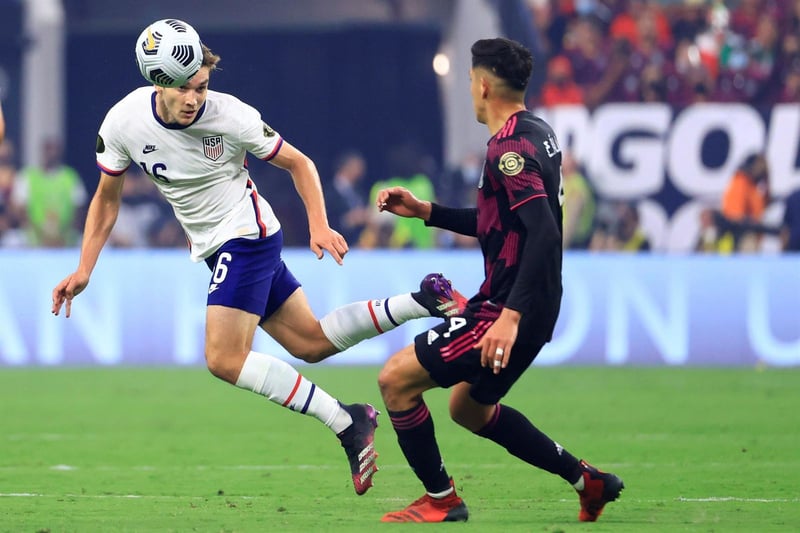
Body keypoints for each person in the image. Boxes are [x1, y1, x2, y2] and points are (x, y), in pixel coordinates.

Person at [50, 20, 467, 497]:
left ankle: (346, 422)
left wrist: (319, 224)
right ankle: (424, 299)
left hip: (245, 235)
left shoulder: (231, 116)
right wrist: (85, 268)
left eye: (201, 86)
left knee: (224, 359)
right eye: (183, 88)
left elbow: (300, 163)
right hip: (216, 245)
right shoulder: (123, 123)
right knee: (312, 343)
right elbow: (107, 197)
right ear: (158, 83)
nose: (194, 99)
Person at [374, 38, 623, 523]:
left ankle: (441, 502)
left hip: (509, 307)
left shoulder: (508, 148)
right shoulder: (536, 132)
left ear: (484, 84)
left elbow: (545, 235)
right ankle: (587, 480)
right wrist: (428, 212)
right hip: (529, 303)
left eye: (469, 81)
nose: (470, 89)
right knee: (468, 408)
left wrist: (509, 317)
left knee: (396, 381)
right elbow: (502, 222)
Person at [12, 137, 88, 247]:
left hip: (65, 237)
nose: (52, 154)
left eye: (55, 150)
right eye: (48, 150)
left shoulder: (70, 177)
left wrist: (63, 234)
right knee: (11, 241)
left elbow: (79, 209)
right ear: (43, 151)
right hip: (33, 236)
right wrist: (40, 234)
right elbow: (19, 210)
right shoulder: (28, 176)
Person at [326, 150, 370, 245]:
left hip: (361, 246)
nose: (362, 171)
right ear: (346, 167)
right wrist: (348, 220)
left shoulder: (360, 192)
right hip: (335, 245)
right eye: (358, 167)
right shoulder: (327, 193)